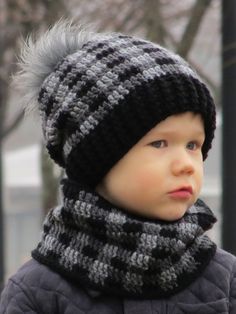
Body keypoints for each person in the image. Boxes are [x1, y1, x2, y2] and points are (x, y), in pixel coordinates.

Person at [0, 20, 236, 314]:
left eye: (193, 145)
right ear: (98, 162)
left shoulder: (223, 278)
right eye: (159, 144)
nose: (186, 165)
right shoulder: (38, 291)